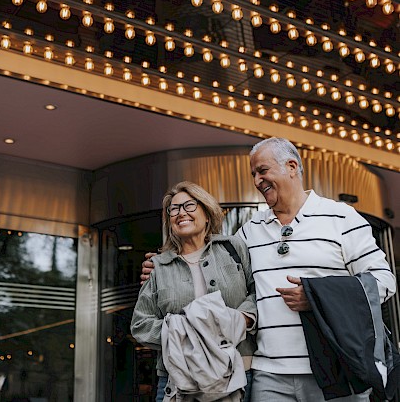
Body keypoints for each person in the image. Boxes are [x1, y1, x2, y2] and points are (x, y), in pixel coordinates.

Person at [142, 137, 397, 401]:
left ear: (291, 166)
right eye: (253, 174)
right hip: (268, 376)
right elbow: (209, 270)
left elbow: (384, 282)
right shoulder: (249, 232)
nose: (256, 181)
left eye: (262, 171)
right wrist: (163, 270)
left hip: (335, 372)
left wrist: (317, 296)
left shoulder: (342, 218)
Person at [131, 181, 257, 402]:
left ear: (207, 213)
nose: (181, 213)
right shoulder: (159, 266)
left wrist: (242, 319)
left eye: (189, 205)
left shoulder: (233, 248)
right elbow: (140, 324)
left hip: (239, 375)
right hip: (178, 380)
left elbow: (258, 292)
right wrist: (185, 331)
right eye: (174, 209)